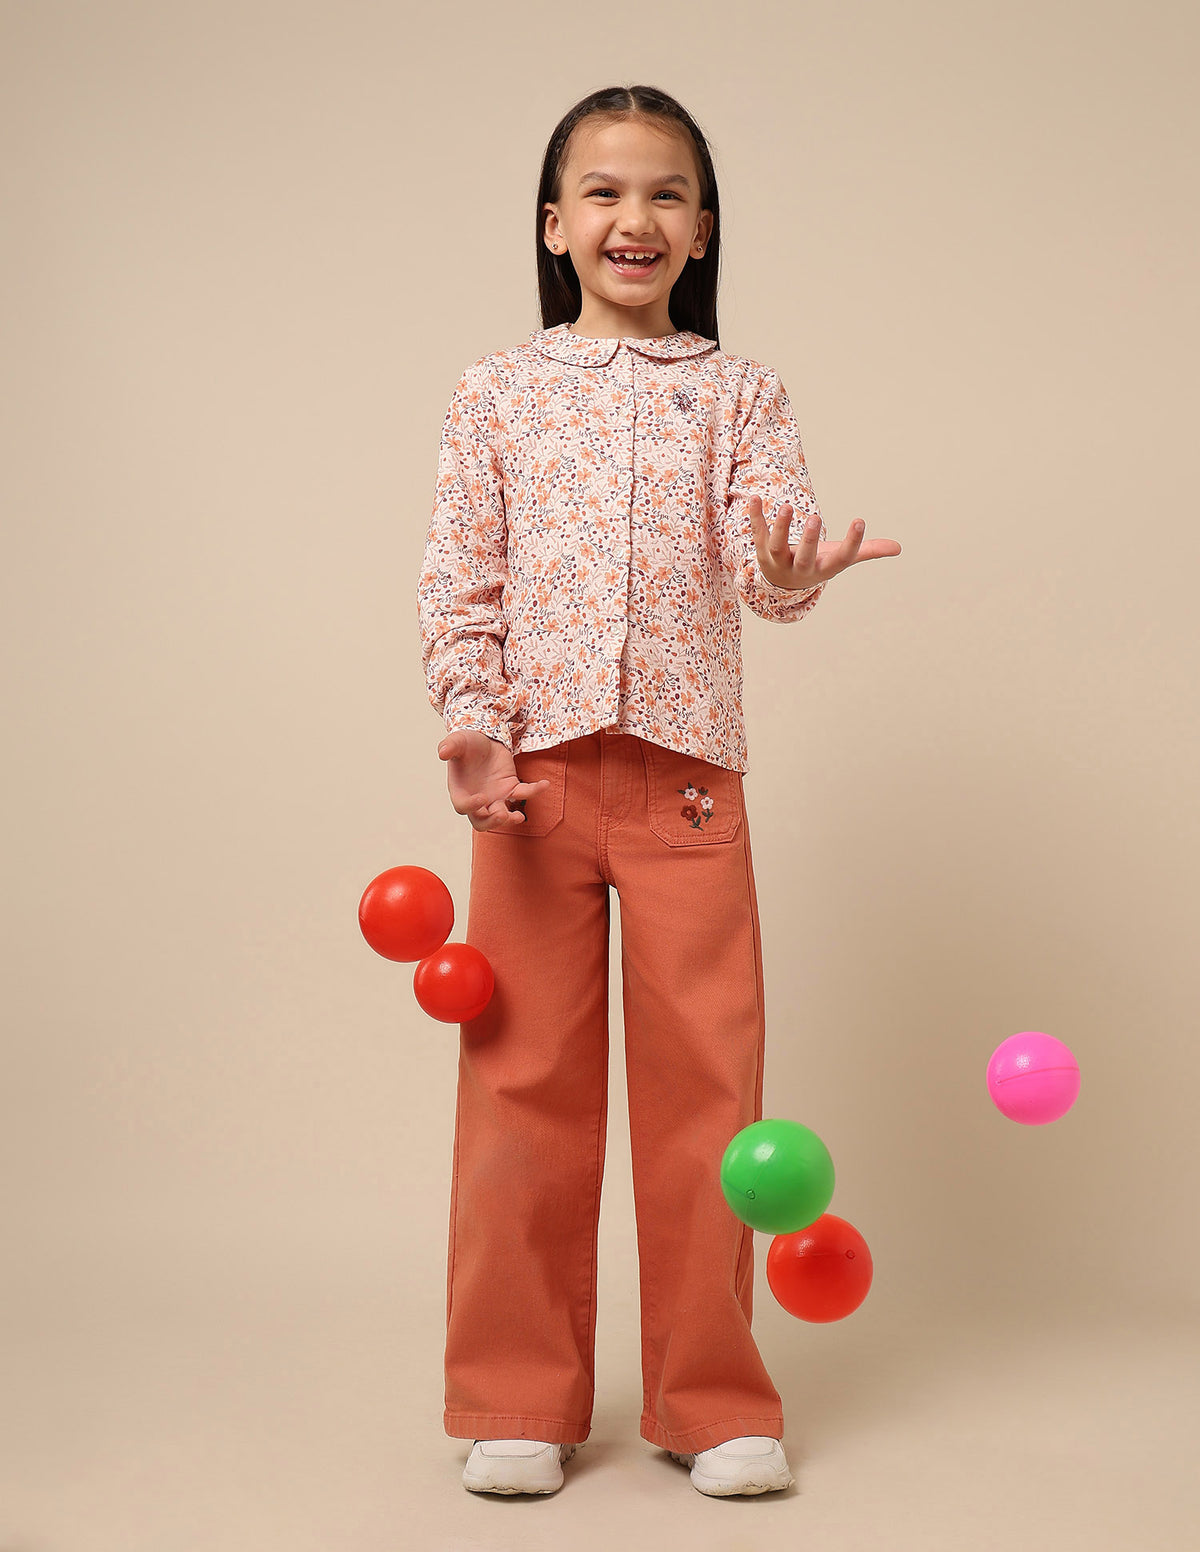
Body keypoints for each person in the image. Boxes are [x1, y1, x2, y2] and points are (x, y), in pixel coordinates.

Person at [416, 83, 901, 1500]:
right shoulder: (494, 393)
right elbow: (461, 582)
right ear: (554, 225)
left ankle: (714, 1399)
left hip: (690, 790)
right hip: (533, 786)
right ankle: (517, 1396)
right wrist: (473, 727)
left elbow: (765, 558)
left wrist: (792, 573)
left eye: (668, 193)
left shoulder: (742, 393)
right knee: (520, 1093)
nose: (637, 217)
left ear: (702, 230)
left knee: (708, 1097)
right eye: (606, 191)